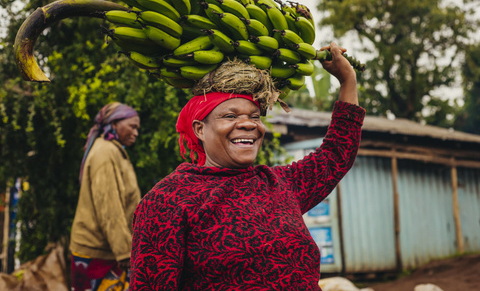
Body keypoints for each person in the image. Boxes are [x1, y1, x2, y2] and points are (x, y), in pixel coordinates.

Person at [130, 42, 365, 290]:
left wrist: (347, 80)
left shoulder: (279, 184)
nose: (248, 124)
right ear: (200, 129)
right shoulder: (168, 200)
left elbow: (337, 153)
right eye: (230, 116)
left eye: (254, 116)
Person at [70, 102, 141, 291]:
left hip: (106, 250)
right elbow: (109, 208)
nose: (136, 133)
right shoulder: (105, 153)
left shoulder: (114, 151)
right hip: (99, 253)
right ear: (115, 123)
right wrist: (125, 252)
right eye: (132, 127)